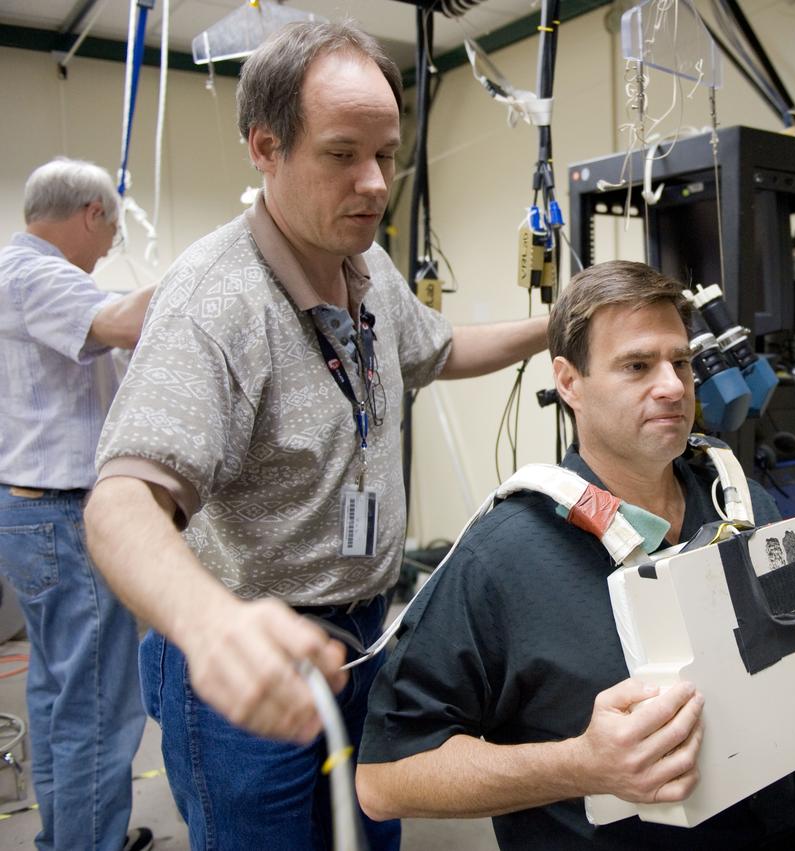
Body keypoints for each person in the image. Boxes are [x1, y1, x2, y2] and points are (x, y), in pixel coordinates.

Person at [82, 21, 548, 851]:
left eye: (387, 155)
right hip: (247, 660)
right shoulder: (216, 301)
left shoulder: (365, 261)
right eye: (342, 154)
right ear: (266, 147)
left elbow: (437, 351)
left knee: (365, 834)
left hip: (365, 638)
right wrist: (211, 626)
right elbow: (121, 500)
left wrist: (554, 327)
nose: (374, 184)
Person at [356, 260, 795, 850]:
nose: (673, 386)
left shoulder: (742, 501)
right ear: (568, 382)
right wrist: (582, 764)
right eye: (637, 366)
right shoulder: (502, 560)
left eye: (681, 362)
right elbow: (385, 780)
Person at [0, 158, 156, 851]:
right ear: (92, 212)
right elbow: (123, 321)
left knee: (60, 694)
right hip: (66, 517)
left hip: (30, 512)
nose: (104, 252)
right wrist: (217, 267)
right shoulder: (40, 275)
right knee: (98, 707)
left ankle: (64, 839)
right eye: (110, 232)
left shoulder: (14, 274)